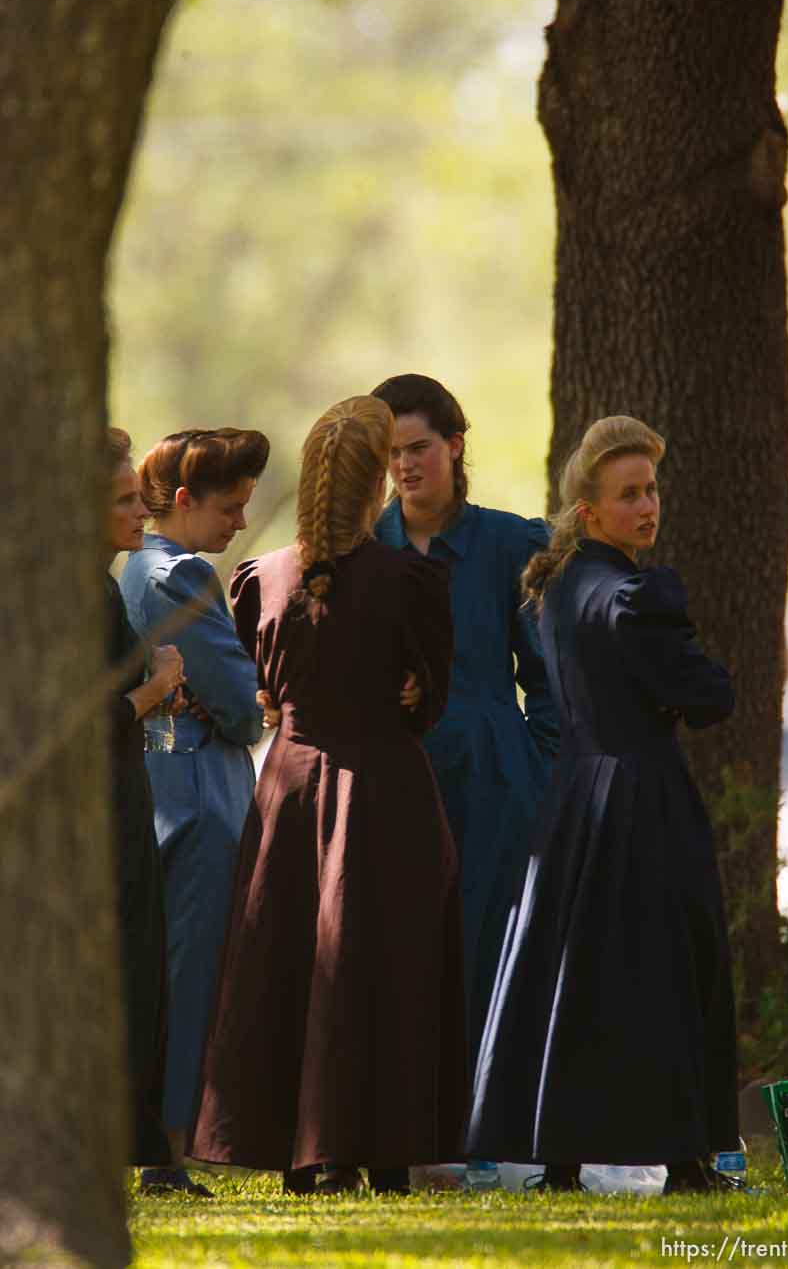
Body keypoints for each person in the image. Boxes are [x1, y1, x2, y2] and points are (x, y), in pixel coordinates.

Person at [190, 396, 466, 1196]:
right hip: (382, 786)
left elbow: (261, 683)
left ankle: (298, 1147)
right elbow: (432, 700)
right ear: (375, 480)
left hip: (289, 786)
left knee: (286, 960)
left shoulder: (258, 576)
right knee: (385, 963)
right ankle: (382, 1148)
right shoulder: (412, 579)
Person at [466, 415, 740, 1194]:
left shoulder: (557, 588)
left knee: (572, 973)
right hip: (642, 795)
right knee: (666, 968)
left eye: (651, 490)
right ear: (589, 512)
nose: (647, 506)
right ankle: (685, 1161)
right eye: (629, 495)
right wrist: (706, 683)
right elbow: (706, 695)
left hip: (576, 797)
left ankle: (559, 1160)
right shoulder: (631, 595)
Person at [372, 374, 559, 1087]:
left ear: (454, 445)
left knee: (487, 942)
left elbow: (547, 677)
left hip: (493, 775)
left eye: (418, 447)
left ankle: (485, 1118)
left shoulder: (512, 543)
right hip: (394, 772)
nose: (405, 466)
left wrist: (533, 763)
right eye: (390, 454)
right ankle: (401, 1115)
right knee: (398, 942)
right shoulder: (364, 551)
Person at [120, 427, 270, 1195]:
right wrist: (255, 696)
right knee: (189, 976)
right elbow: (243, 708)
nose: (239, 523)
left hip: (168, 781)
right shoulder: (177, 575)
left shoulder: (136, 571)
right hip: (197, 793)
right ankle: (167, 1152)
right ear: (184, 501)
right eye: (230, 506)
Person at [105, 428, 183, 1169]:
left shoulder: (99, 583)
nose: (141, 511)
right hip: (96, 818)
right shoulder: (66, 595)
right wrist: (153, 689)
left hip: (127, 799)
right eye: (126, 499)